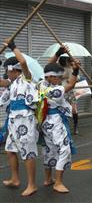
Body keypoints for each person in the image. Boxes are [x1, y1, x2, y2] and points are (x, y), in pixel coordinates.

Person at [37, 47, 79, 193]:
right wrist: (76, 71)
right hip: (55, 122)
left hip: (45, 122)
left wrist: (57, 54)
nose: (60, 78)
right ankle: (58, 182)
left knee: (49, 149)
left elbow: (48, 68)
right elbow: (72, 85)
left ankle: (48, 179)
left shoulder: (42, 84)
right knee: (64, 149)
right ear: (51, 77)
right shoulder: (54, 90)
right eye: (58, 76)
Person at [0, 41, 39, 196]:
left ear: (12, 70)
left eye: (7, 71)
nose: (6, 74)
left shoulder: (27, 79)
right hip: (14, 120)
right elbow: (1, 83)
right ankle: (15, 179)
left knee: (28, 152)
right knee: (10, 149)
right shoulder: (12, 84)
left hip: (26, 120)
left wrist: (12, 46)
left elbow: (22, 61)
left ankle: (32, 184)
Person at [48, 51, 79, 135]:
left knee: (74, 110)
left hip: (70, 91)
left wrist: (75, 71)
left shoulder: (71, 67)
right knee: (63, 109)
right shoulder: (58, 69)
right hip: (61, 90)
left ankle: (75, 126)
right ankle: (64, 126)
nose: (66, 61)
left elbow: (77, 78)